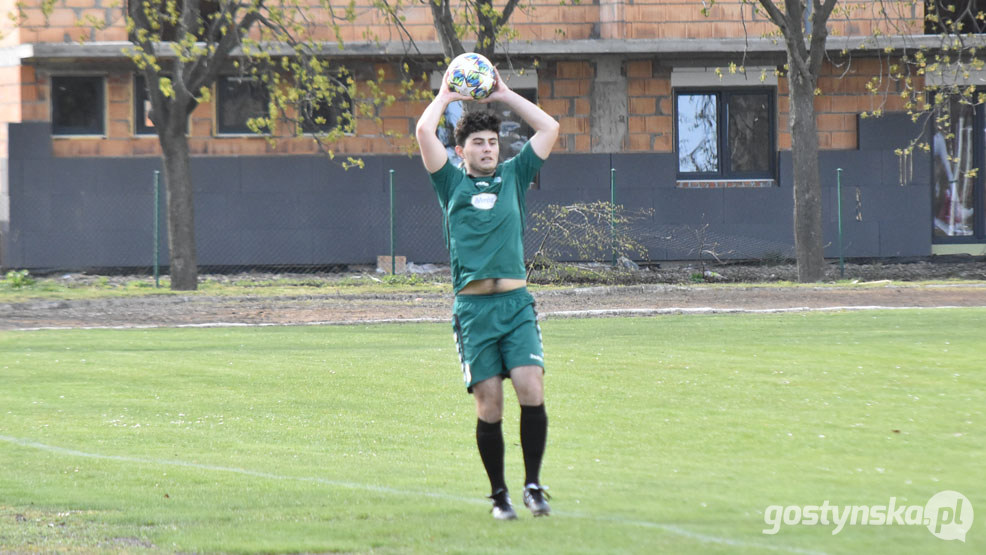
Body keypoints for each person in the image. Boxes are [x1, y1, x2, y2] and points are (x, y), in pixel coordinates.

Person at [415, 64, 560, 520]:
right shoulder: (450, 182)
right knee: (490, 403)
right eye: (478, 142)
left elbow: (550, 126)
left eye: (493, 142)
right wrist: (445, 94)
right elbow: (423, 130)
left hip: (516, 305)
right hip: (474, 310)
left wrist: (504, 95)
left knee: (530, 387)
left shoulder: (515, 176)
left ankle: (533, 486)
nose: (488, 148)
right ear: (460, 151)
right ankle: (500, 496)